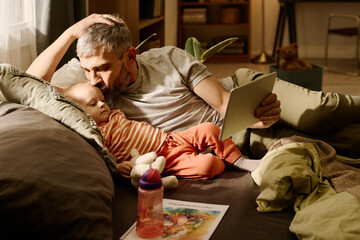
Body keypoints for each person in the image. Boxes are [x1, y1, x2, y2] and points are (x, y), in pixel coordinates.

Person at [27, 14, 360, 160]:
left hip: (240, 94)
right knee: (337, 142)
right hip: (231, 135)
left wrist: (258, 115)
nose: (93, 80)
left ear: (131, 55)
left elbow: (224, 103)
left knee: (319, 113)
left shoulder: (167, 58)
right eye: (86, 69)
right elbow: (27, 84)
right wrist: (72, 32)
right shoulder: (92, 87)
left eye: (101, 69)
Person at [64, 82, 261, 179]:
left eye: (101, 99)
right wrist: (117, 167)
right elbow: (102, 157)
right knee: (207, 166)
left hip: (171, 137)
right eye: (93, 103)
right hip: (166, 160)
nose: (102, 104)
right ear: (78, 111)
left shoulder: (114, 113)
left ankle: (240, 160)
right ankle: (224, 160)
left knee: (209, 129)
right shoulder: (94, 134)